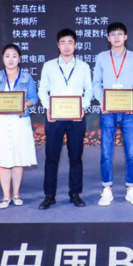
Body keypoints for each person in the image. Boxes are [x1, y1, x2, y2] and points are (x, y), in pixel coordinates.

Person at [38, 29, 93, 209]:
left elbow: (89, 90)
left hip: (76, 117)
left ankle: (75, 194)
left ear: (75, 45)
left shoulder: (83, 66)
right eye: (63, 42)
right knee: (51, 157)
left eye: (70, 42)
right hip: (55, 117)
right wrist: (48, 108)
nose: (67, 46)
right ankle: (49, 195)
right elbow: (42, 90)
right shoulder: (49, 66)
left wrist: (82, 107)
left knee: (75, 157)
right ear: (58, 45)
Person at [92, 22, 133, 206]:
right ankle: (107, 189)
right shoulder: (101, 57)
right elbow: (96, 83)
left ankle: (131, 189)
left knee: (131, 152)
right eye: (113, 34)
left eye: (120, 34)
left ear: (126, 37)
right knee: (106, 152)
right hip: (108, 111)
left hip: (128, 111)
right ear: (108, 38)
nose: (116, 37)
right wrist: (103, 102)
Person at [0, 44, 38, 209]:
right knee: (4, 159)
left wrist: (23, 104)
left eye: (14, 56)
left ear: (19, 59)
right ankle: (6, 196)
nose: (11, 59)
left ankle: (16, 194)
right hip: (0, 121)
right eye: (7, 56)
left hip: (19, 121)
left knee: (18, 158)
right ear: (3, 58)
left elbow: (34, 99)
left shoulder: (26, 77)